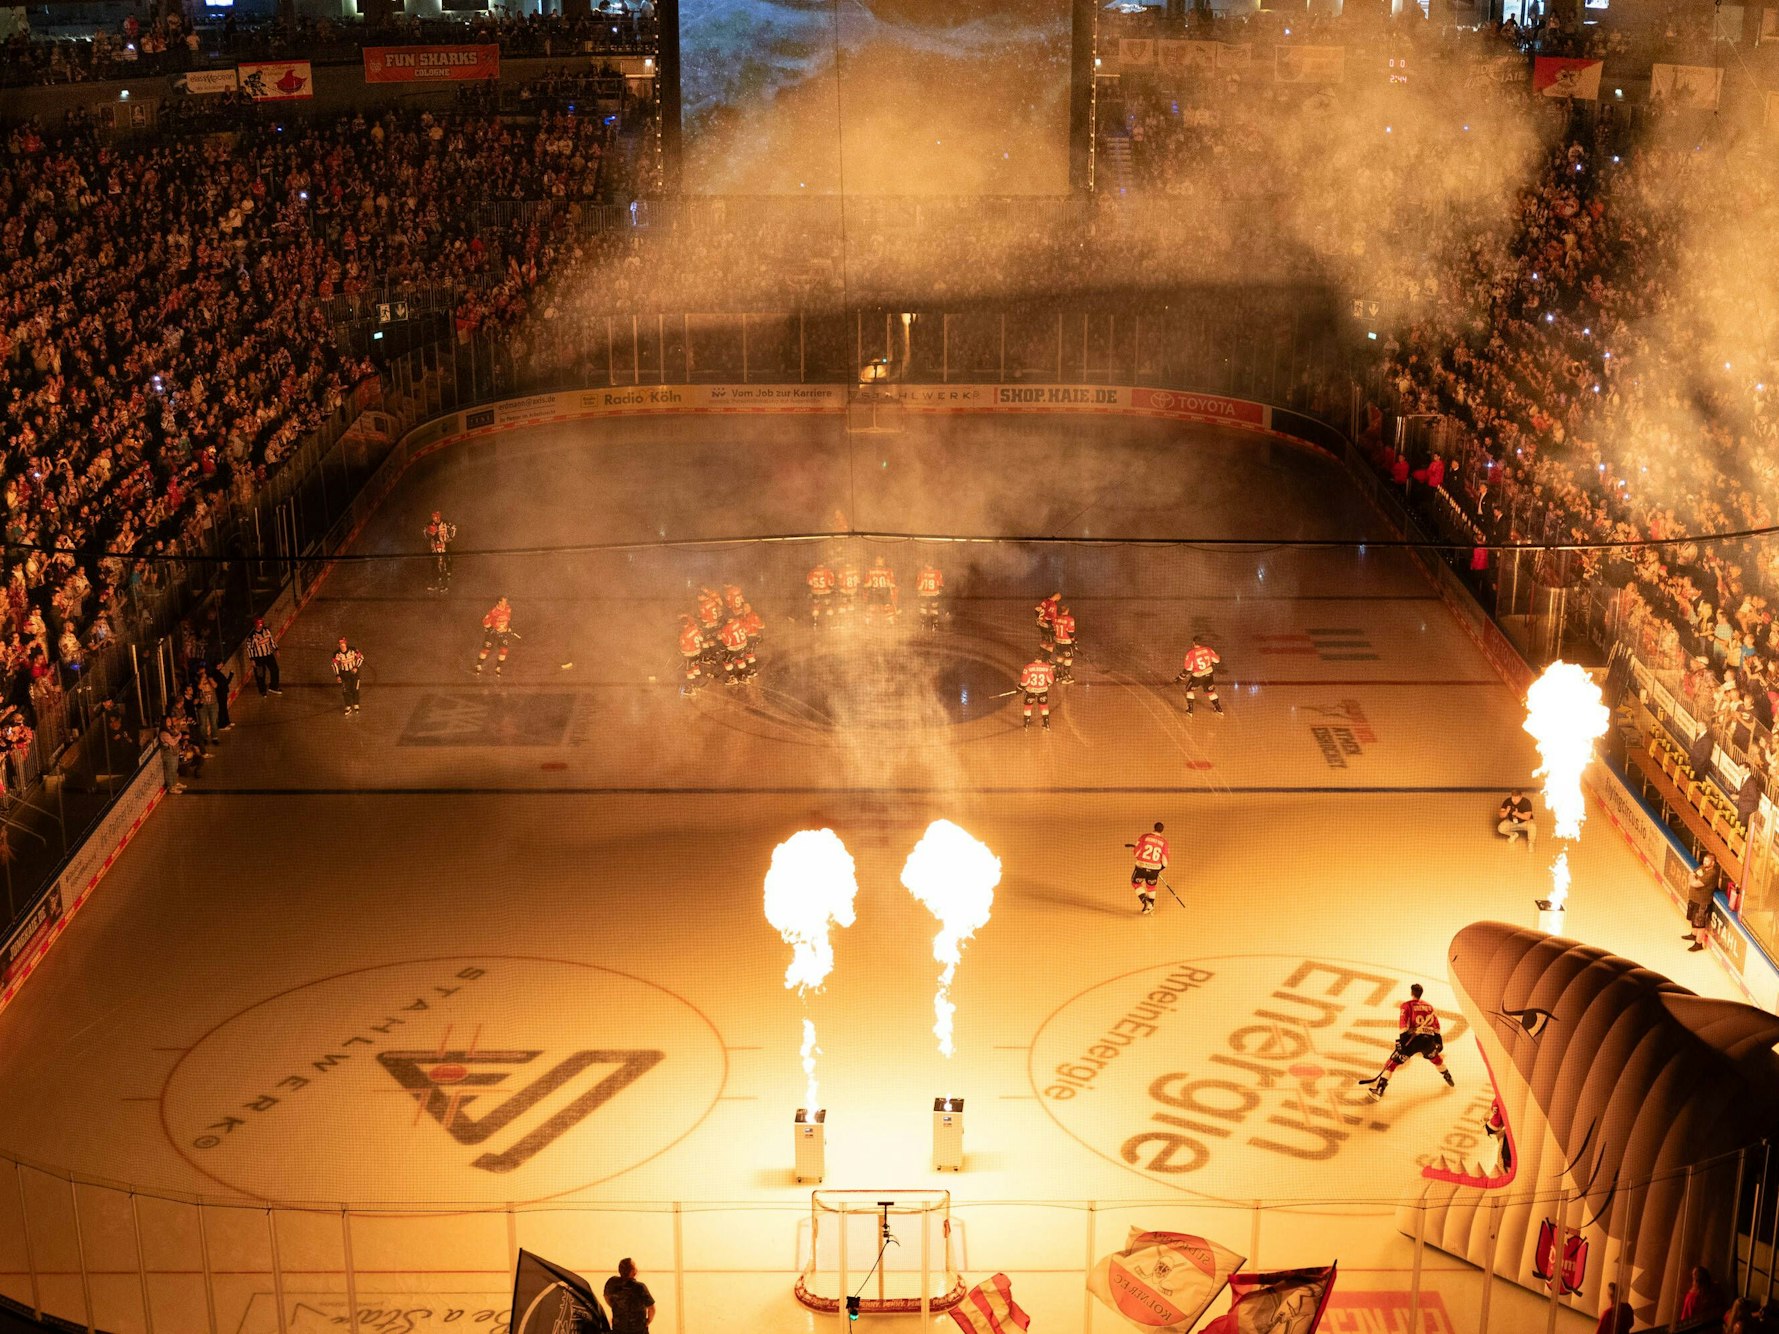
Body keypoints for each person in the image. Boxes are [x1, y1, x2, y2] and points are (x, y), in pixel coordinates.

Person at [1363, 983, 1453, 1101]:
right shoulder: (1429, 1007)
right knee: (1435, 1057)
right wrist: (1439, 1042)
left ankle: (1379, 1089)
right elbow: (1436, 1026)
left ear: (1411, 993)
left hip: (1413, 1041)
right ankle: (1447, 1076)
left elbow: (1403, 1025)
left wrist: (1402, 1043)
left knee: (1392, 1062)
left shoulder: (1406, 1006)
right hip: (1428, 1041)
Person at [603, 1257, 654, 1332]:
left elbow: (606, 1296)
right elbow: (652, 1308)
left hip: (619, 1329)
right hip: (638, 1330)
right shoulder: (640, 1287)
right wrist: (648, 1321)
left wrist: (617, 1307)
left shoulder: (612, 1283)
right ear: (632, 1271)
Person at [1128, 821, 1169, 915]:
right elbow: (1165, 862)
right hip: (1155, 869)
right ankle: (1151, 907)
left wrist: (1138, 855)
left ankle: (1146, 903)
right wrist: (1158, 869)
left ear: (1154, 828)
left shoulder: (1144, 837)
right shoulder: (1164, 843)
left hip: (1141, 867)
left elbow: (1137, 853)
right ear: (1162, 830)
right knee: (1151, 886)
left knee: (1135, 883)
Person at [1684, 852, 1721, 953]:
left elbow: (1696, 883)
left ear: (1712, 863)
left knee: (1700, 923)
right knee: (1693, 918)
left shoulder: (1712, 873)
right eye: (1704, 860)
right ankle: (1693, 934)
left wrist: (1692, 881)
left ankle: (1698, 943)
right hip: (1694, 899)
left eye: (1707, 861)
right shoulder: (1703, 868)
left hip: (1702, 902)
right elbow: (1691, 873)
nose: (1704, 862)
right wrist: (1692, 879)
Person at [1175, 636, 1223, 715]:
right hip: (1209, 674)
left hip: (1197, 676)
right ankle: (1218, 708)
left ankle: (1190, 710)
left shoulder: (1191, 653)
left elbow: (1188, 668)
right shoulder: (1208, 649)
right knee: (1210, 692)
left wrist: (1180, 677)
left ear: (1194, 643)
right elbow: (1217, 660)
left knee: (1189, 690)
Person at [477, 597, 516, 676]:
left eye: (506, 601)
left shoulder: (508, 609)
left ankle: (498, 668)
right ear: (499, 602)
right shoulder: (494, 611)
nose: (506, 603)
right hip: (492, 633)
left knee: (504, 650)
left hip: (503, 633)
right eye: (504, 601)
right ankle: (478, 665)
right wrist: (492, 629)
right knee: (486, 649)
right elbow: (485, 621)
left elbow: (508, 620)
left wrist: (508, 628)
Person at [247, 618, 282, 696]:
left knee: (275, 670)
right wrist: (252, 659)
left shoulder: (266, 631)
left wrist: (276, 649)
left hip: (269, 655)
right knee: (260, 674)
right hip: (258, 658)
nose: (260, 626)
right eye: (259, 625)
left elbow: (271, 640)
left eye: (261, 624)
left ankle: (273, 687)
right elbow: (249, 649)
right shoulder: (252, 636)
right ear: (255, 625)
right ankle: (262, 690)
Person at [425, 511, 457, 592]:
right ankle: (435, 584)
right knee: (434, 566)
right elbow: (425, 533)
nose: (436, 518)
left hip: (444, 547)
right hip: (434, 548)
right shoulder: (429, 524)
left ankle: (444, 585)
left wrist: (450, 538)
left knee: (444, 566)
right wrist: (429, 534)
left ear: (439, 516)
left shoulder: (446, 523)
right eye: (434, 517)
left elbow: (454, 528)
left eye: (437, 516)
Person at [1020, 655, 1055, 731]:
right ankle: (1047, 725)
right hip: (1042, 691)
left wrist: (1020, 687)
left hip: (1030, 690)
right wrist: (1047, 684)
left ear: (1034, 658)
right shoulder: (1048, 667)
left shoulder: (1028, 667)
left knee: (1028, 707)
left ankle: (1026, 725)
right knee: (1044, 707)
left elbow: (1024, 681)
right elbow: (1051, 680)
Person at [333, 638, 365, 714]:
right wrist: (337, 675)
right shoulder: (336, 654)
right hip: (344, 673)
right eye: (340, 644)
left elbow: (361, 658)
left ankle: (356, 704)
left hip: (354, 673)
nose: (342, 646)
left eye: (343, 644)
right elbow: (334, 665)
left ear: (346, 644)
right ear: (338, 645)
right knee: (345, 690)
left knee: (355, 689)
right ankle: (348, 706)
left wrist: (356, 667)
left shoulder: (353, 650)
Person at [157, 715, 185, 794]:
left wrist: (177, 736)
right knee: (170, 770)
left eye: (170, 721)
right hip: (169, 753)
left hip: (175, 752)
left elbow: (179, 733)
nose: (170, 722)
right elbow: (173, 742)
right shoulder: (163, 733)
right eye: (168, 721)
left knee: (175, 768)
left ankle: (175, 783)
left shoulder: (171, 729)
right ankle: (171, 787)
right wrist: (177, 737)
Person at [678, 614, 706, 692]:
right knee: (696, 668)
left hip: (689, 654)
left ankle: (690, 689)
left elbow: (683, 648)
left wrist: (681, 652)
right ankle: (698, 685)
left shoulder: (683, 635)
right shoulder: (695, 628)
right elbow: (701, 638)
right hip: (698, 652)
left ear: (682, 625)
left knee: (689, 671)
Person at [1051, 605, 1078, 684]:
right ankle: (1066, 677)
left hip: (1058, 641)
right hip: (1066, 642)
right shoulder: (1070, 619)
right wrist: (1074, 641)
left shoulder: (1056, 618)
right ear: (1067, 610)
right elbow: (1071, 633)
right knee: (1069, 658)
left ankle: (1058, 675)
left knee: (1060, 657)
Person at [915, 561, 944, 630]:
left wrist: (918, 592)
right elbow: (940, 585)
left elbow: (918, 585)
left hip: (923, 593)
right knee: (934, 609)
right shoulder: (937, 572)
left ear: (926, 565)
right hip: (934, 593)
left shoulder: (921, 572)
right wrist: (939, 592)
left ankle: (922, 624)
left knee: (923, 608)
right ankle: (934, 625)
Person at [807, 560, 836, 626]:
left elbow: (810, 583)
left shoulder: (812, 571)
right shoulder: (828, 571)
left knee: (816, 605)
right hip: (826, 592)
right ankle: (830, 621)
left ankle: (815, 621)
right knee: (828, 605)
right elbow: (831, 583)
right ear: (824, 563)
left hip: (815, 592)